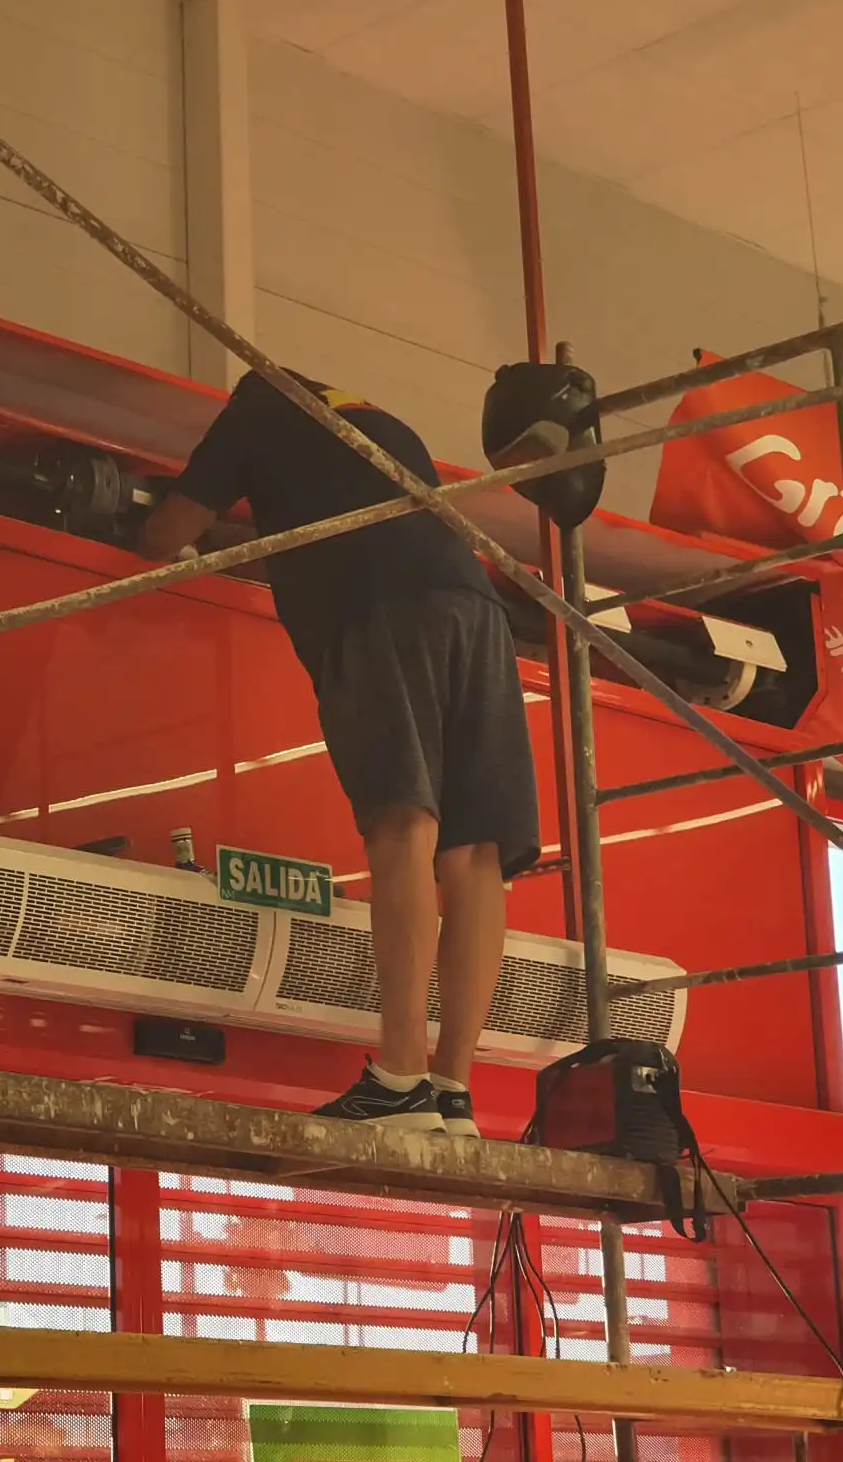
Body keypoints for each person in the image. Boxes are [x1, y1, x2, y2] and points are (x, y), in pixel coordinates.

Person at [138, 369, 540, 1136]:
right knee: (475, 854)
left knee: (403, 826)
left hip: (380, 609)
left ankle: (399, 1079)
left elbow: (164, 535)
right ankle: (452, 1088)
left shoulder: (258, 406)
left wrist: (167, 526)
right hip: (477, 612)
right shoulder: (381, 421)